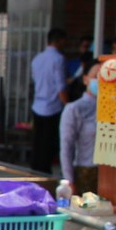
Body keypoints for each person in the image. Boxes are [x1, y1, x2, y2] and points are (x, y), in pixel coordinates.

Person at [30, 28, 68, 173]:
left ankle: (34, 171)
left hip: (38, 104)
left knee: (37, 143)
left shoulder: (37, 59)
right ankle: (44, 173)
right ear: (60, 41)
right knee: (48, 144)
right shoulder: (58, 59)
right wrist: (67, 105)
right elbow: (60, 86)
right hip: (53, 106)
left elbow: (35, 80)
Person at [59, 63, 100, 195]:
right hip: (85, 172)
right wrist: (69, 180)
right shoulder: (75, 108)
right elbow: (66, 146)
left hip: (109, 176)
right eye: (96, 76)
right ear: (85, 79)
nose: (100, 81)